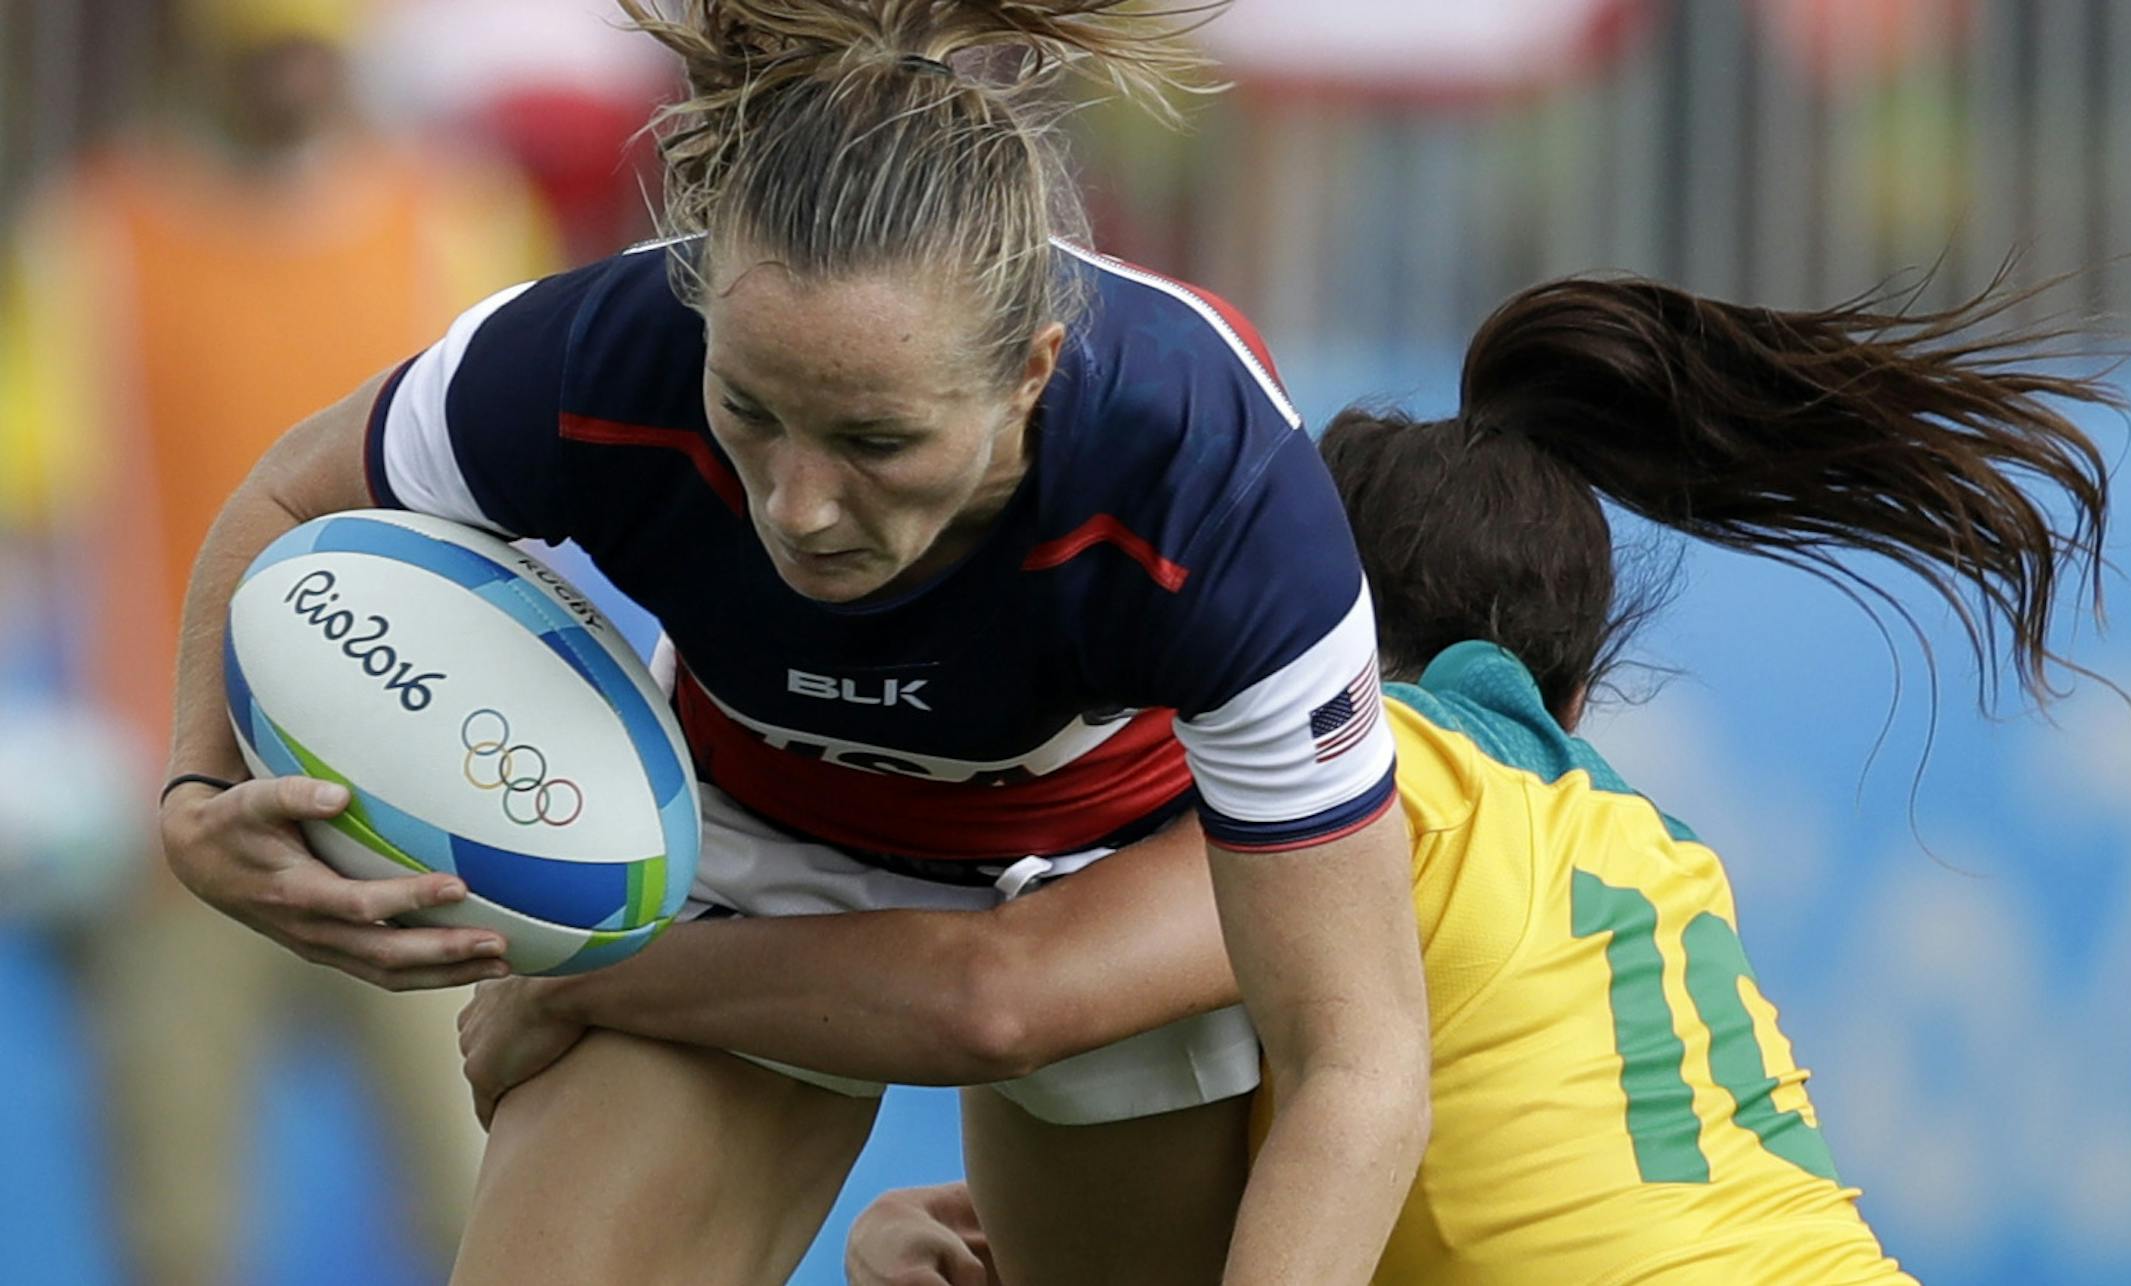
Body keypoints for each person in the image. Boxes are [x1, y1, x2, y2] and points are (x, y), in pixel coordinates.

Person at [475, 268, 2108, 1285]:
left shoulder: (1382, 783)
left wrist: (613, 972)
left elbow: (1004, 993)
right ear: (1582, 682)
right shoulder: (1637, 845)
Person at [154, 3, 1429, 1284]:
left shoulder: (1207, 483)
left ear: (1034, 372)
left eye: (877, 442)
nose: (796, 504)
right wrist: (199, 791)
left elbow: (1354, 1063)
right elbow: (285, 495)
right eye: (747, 413)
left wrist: (592, 979)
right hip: (748, 836)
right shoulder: (603, 350)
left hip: (1122, 851)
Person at [7, 0, 554, 1279]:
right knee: (181, 1227)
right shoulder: (89, 238)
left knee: (487, 1207)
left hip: (431, 820)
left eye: (313, 42)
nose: (293, 73)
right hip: (176, 810)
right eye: (265, 44)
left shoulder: (460, 216)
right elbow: (29, 519)